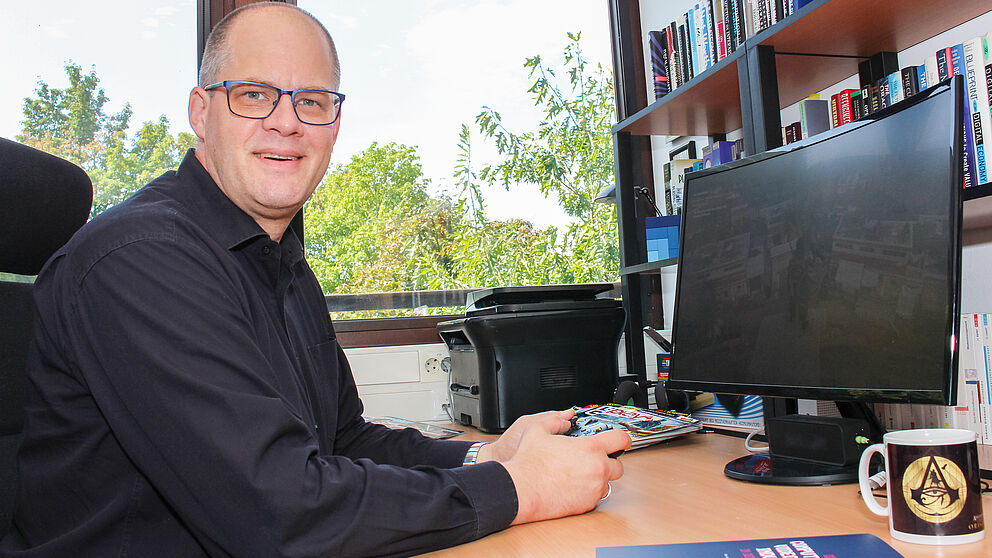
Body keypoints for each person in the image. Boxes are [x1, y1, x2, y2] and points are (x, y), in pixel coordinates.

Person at [0, 3, 630, 557]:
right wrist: (519, 488)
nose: (286, 122)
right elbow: (276, 514)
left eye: (313, 101)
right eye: (253, 94)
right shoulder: (139, 259)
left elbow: (342, 440)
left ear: (335, 122)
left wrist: (484, 456)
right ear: (201, 111)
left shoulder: (279, 260)